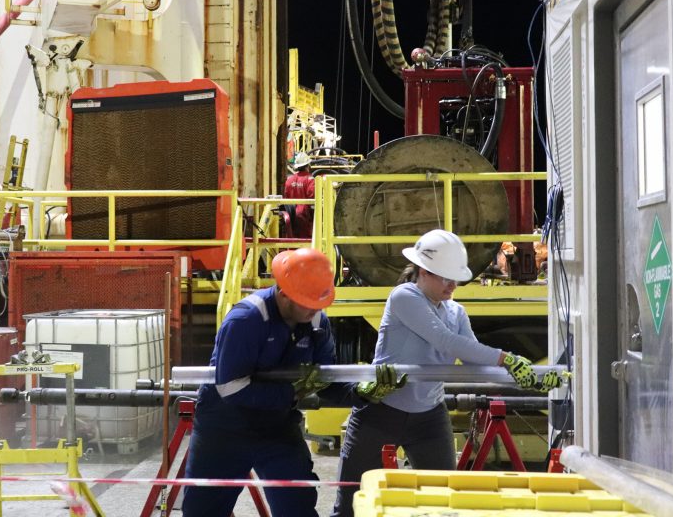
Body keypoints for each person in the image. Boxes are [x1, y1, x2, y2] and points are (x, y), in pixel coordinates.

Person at [331, 229, 561, 517]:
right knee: (349, 503)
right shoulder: (404, 297)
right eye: (445, 277)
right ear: (423, 271)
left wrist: (530, 377)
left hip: (429, 416)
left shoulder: (455, 312)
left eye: (456, 278)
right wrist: (507, 358)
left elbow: (473, 359)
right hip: (380, 412)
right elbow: (445, 341)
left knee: (441, 504)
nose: (453, 285)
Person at [183, 248, 342, 516]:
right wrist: (291, 393)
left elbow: (327, 376)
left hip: (276, 427)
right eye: (308, 301)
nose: (315, 309)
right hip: (223, 429)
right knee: (203, 511)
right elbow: (230, 386)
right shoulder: (246, 319)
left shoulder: (315, 320)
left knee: (297, 508)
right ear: (284, 294)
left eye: (319, 302)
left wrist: (362, 393)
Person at [283, 152, 315, 239]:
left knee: (292, 240)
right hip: (305, 216)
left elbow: (286, 197)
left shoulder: (289, 180)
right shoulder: (310, 180)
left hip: (290, 216)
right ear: (308, 165)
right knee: (305, 243)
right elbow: (312, 198)